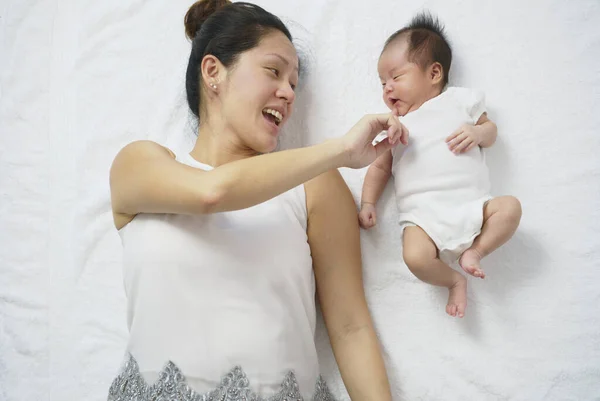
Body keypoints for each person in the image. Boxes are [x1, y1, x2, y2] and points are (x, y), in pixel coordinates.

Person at [107, 1, 407, 400]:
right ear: (213, 72)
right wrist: (339, 151)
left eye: (295, 84)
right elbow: (211, 192)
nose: (287, 93)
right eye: (274, 71)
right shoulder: (139, 163)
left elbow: (350, 327)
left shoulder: (316, 183)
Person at [359, 12, 522, 319]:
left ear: (434, 74)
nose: (387, 89)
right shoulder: (395, 126)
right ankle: (453, 280)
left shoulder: (460, 102)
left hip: (472, 205)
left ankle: (477, 251)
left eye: (396, 77)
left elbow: (491, 132)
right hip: (423, 218)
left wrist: (476, 132)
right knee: (415, 257)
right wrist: (369, 202)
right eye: (382, 83)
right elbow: (379, 169)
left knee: (510, 208)